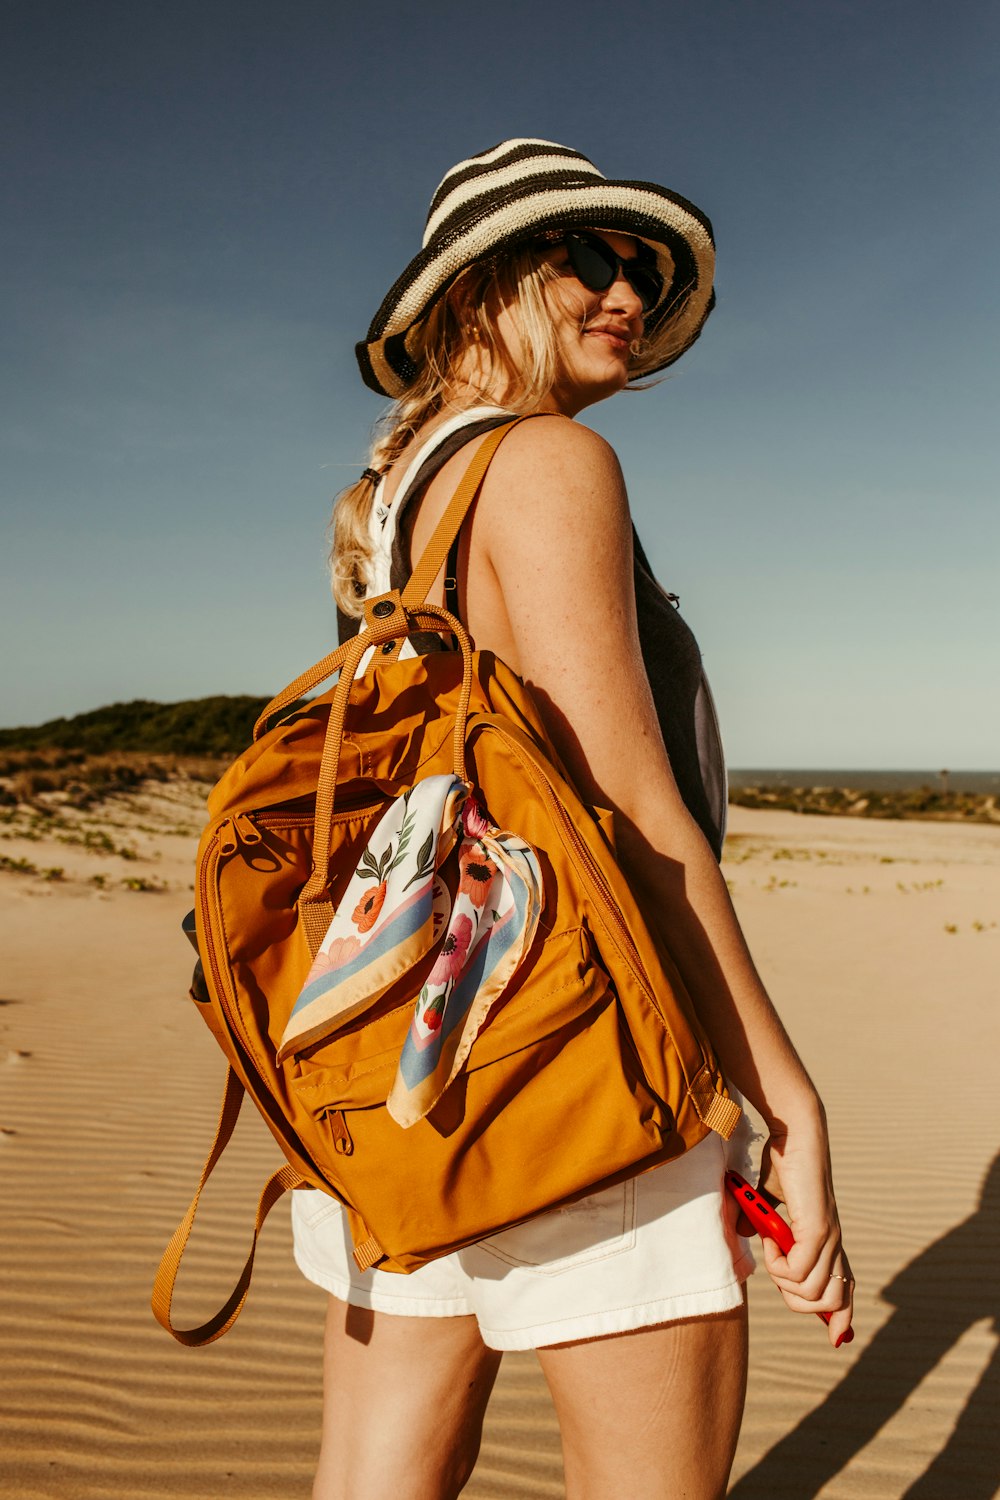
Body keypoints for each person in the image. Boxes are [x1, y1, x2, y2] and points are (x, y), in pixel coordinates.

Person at [294, 138, 853, 1500]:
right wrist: (785, 1092)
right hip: (573, 1052)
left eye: (644, 275)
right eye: (589, 260)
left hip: (392, 1056)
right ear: (480, 287)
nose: (629, 297)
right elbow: (634, 811)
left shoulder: (385, 502)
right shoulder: (550, 463)